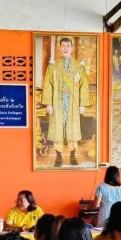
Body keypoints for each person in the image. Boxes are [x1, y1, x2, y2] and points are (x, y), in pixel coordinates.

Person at [40, 36, 90, 167]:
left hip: (73, 102)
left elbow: (84, 85)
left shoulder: (79, 66)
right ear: (59, 48)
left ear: (72, 48)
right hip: (58, 101)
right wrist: (49, 103)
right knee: (58, 128)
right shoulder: (53, 66)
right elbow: (48, 85)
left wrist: (82, 104)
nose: (65, 48)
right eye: (63, 46)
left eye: (68, 46)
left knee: (73, 128)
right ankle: (58, 157)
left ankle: (73, 156)